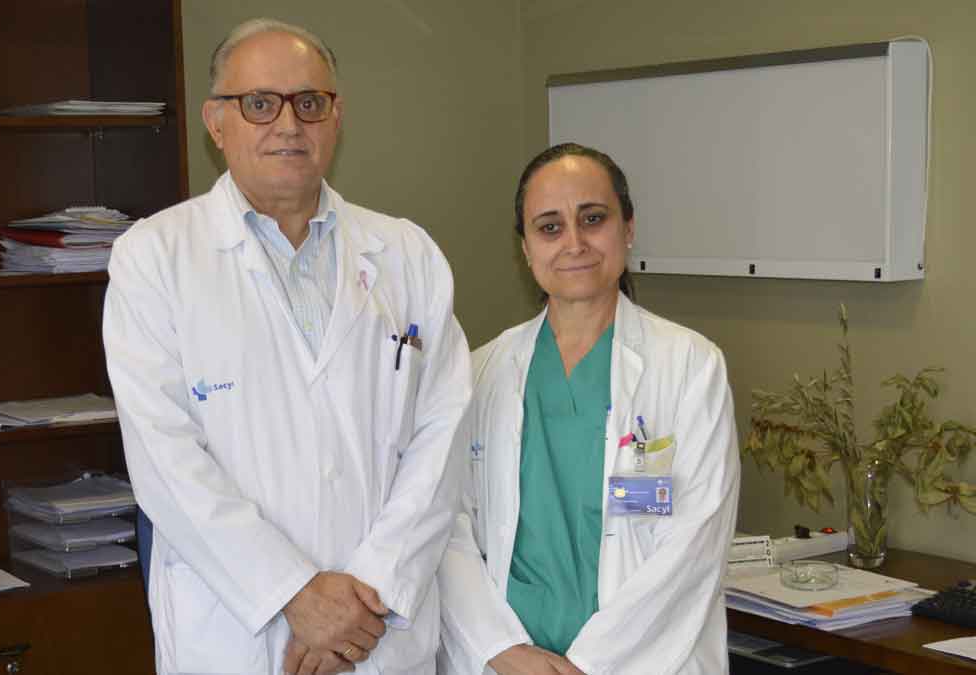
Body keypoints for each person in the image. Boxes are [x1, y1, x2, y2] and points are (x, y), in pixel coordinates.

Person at [103, 17, 471, 675]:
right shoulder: (154, 257)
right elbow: (167, 462)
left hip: (380, 633)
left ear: (336, 118)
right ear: (217, 124)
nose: (288, 124)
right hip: (239, 636)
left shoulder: (407, 253)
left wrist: (364, 601)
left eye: (310, 103)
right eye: (260, 104)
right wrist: (296, 597)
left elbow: (442, 440)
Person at [437, 143, 740, 674]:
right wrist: (501, 650)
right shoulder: (480, 372)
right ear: (525, 250)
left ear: (628, 228)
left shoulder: (690, 366)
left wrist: (589, 666)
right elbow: (448, 526)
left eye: (593, 219)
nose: (574, 243)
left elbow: (695, 546)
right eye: (549, 227)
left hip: (639, 663)